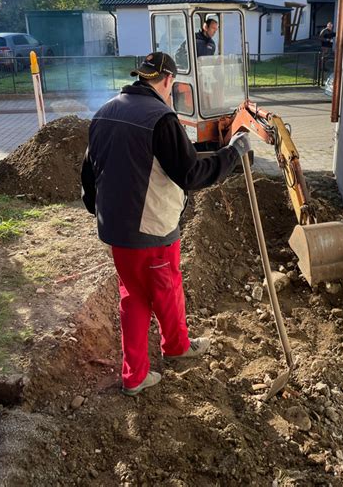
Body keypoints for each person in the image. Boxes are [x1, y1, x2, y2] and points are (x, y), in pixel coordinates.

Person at [81, 52, 251, 396]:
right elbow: (190, 174)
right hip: (152, 230)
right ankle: (175, 348)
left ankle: (135, 376)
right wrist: (233, 153)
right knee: (166, 291)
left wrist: (99, 210)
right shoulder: (162, 119)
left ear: (140, 77)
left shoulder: (105, 111)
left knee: (134, 298)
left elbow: (88, 173)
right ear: (169, 81)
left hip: (116, 230)